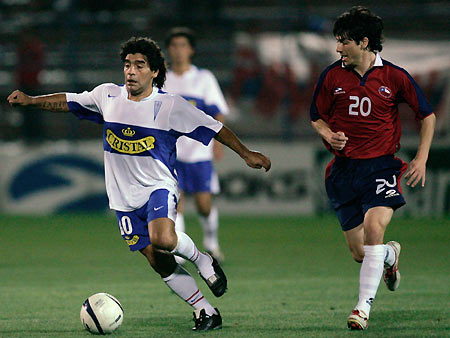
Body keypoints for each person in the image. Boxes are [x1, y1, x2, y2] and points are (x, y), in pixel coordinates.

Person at [8, 36, 271, 332]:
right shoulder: (107, 96)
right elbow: (68, 101)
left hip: (158, 187)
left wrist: (246, 153)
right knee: (157, 260)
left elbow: (215, 127)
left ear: (154, 71)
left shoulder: (170, 106)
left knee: (163, 239)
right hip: (122, 199)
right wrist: (32, 100)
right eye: (127, 65)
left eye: (139, 65)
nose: (131, 71)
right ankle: (205, 310)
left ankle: (201, 258)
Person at [310, 6, 435, 331]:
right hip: (343, 172)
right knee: (362, 252)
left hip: (380, 167)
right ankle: (390, 257)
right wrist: (328, 134)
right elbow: (316, 116)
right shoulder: (331, 75)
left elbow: (428, 116)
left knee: (374, 229)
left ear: (364, 42)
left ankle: (362, 309)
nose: (338, 48)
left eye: (344, 41)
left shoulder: (394, 76)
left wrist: (421, 158)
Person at [163, 27, 227, 263]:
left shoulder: (204, 78)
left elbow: (218, 111)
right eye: (174, 45)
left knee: (203, 205)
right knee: (175, 202)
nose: (178, 50)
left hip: (199, 152)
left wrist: (218, 143)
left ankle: (211, 242)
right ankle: (178, 251)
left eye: (182, 45)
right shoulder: (162, 78)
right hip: (171, 152)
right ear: (168, 50)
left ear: (191, 50)